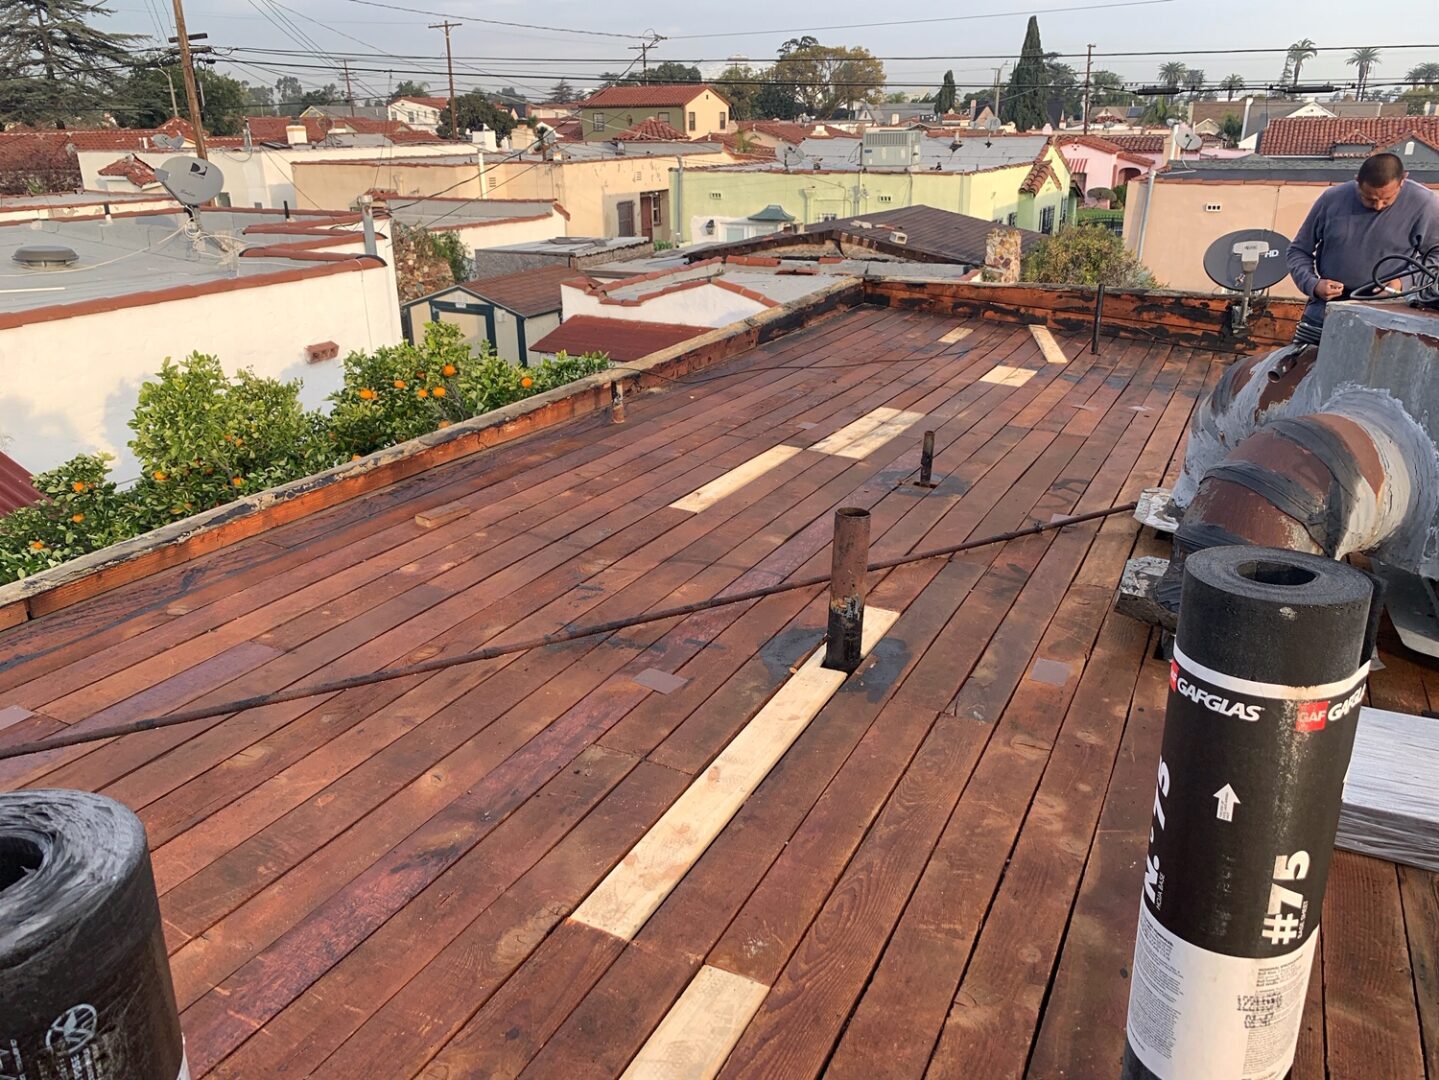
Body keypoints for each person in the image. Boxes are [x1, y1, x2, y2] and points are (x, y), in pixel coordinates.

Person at [1286, 152, 1439, 344]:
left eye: (1387, 199)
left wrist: (1403, 282)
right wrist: (1312, 284)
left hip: (1387, 318)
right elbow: (1298, 251)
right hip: (1324, 312)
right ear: (1357, 181)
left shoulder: (1424, 203)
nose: (1378, 206)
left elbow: (1436, 256)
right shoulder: (1332, 198)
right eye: (1369, 199)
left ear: (1403, 181)